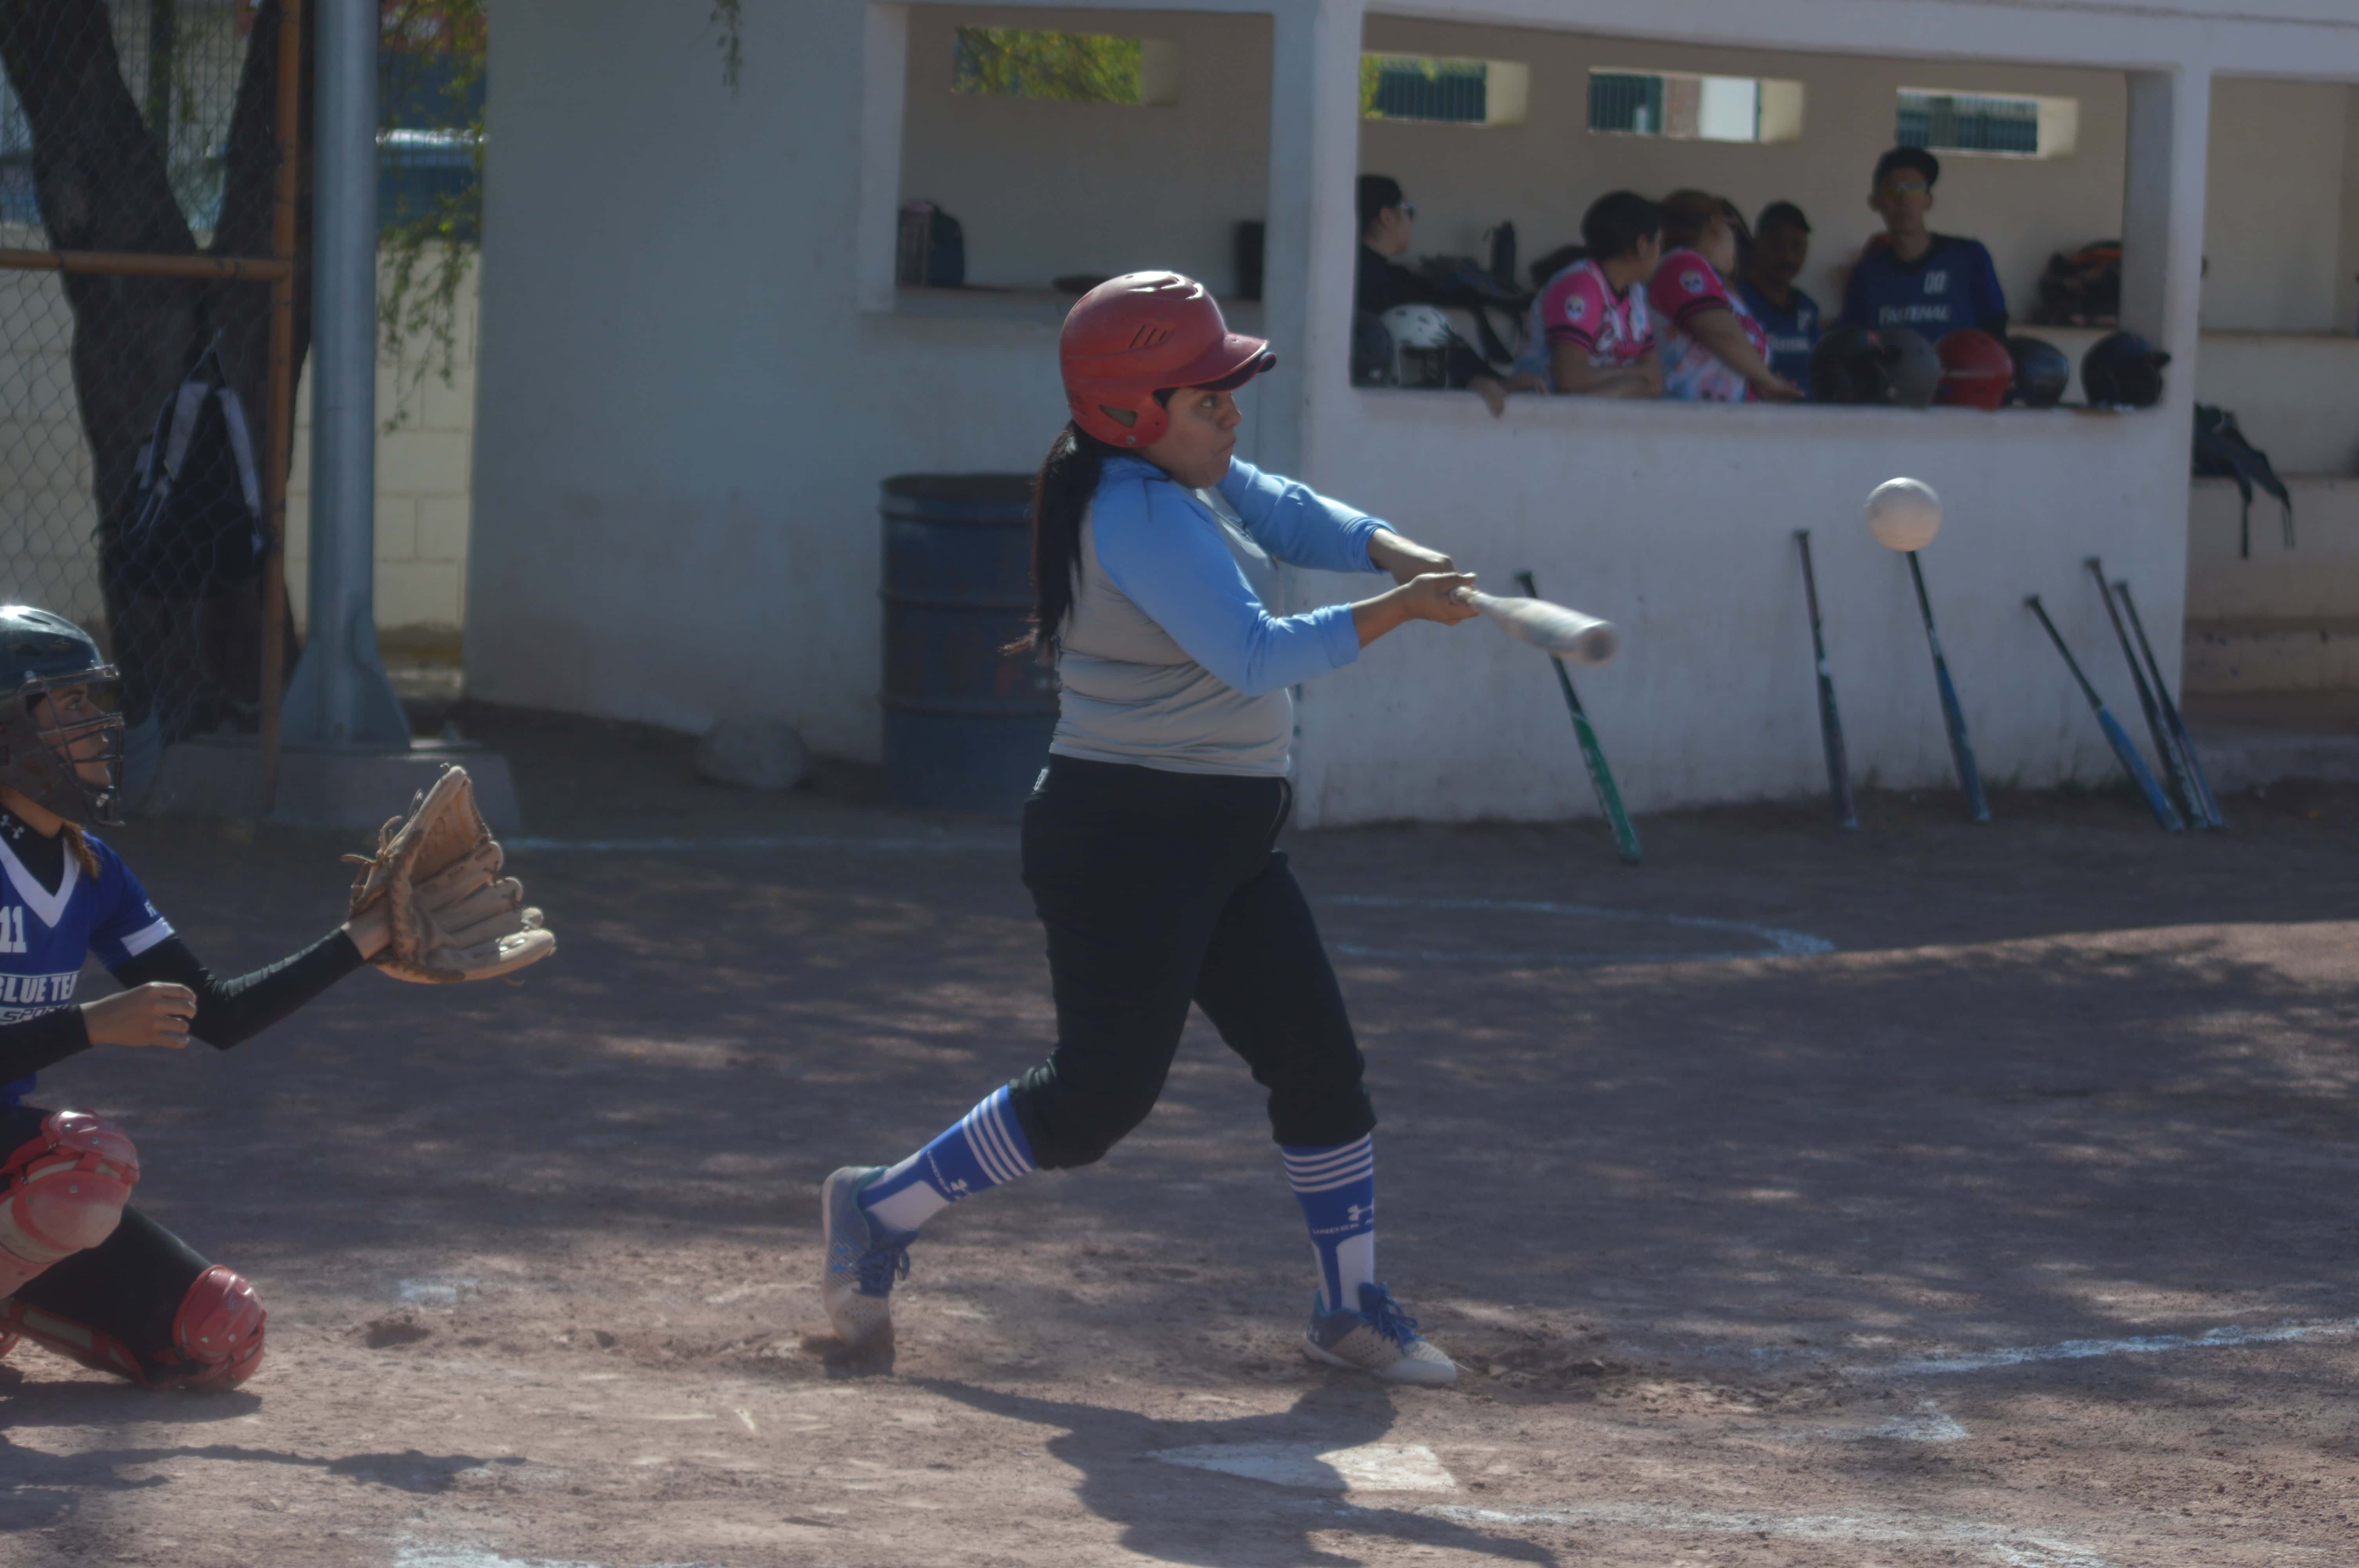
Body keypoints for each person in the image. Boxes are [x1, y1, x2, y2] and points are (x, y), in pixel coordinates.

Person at [820, 272, 1478, 1385]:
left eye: (1229, 391)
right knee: (1094, 1105)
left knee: (1319, 1062)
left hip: (1223, 837)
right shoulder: (1131, 509)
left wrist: (1387, 549)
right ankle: (879, 1207)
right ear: (1133, 414)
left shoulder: (1192, 477)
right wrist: (1399, 611)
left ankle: (1348, 1306)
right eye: (1208, 395)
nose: (1231, 412)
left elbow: (1286, 507)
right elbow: (1257, 651)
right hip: (1124, 839)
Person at [0, 607, 544, 1390]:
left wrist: (364, 935)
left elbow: (216, 1013)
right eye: (70, 705)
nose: (98, 726)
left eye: (95, 702)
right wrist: (91, 1024)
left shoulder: (92, 869)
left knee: (217, 1331)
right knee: (82, 1164)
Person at [1354, 175, 1508, 417]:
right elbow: (1427, 331)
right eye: (1409, 211)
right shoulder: (1385, 281)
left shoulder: (1337, 272)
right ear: (1387, 217)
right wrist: (1481, 377)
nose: (1412, 221)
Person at [1840, 147, 2008, 340]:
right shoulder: (1867, 274)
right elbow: (1853, 341)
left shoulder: (1970, 258)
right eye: (1893, 190)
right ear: (1875, 202)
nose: (1904, 200)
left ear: (1929, 200)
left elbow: (1996, 330)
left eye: (1915, 189)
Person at [1649, 190, 1799, 403]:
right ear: (1716, 222)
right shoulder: (1683, 263)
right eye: (1734, 229)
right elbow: (1720, 333)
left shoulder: (1717, 280)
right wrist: (1769, 381)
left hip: (1724, 422)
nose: (1736, 244)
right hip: (1692, 422)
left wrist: (1767, 384)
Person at [1514, 189, 1663, 397]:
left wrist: (1637, 380)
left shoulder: (1635, 293)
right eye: (1659, 244)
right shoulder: (1580, 285)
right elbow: (1570, 379)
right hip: (1546, 413)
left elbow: (1655, 376)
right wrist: (1635, 378)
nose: (1660, 254)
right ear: (1642, 246)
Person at [1735, 200, 1822, 394]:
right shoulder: (1738, 302)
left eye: (1797, 247)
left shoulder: (1808, 308)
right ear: (1756, 245)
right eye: (1777, 245)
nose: (1788, 256)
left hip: (1809, 415)